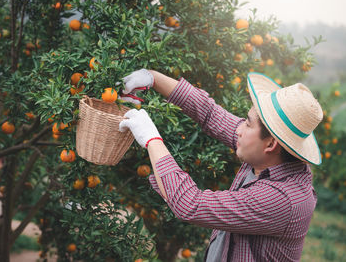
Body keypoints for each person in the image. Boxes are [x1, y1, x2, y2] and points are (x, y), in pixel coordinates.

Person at [118, 69, 324, 261]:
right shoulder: (266, 155)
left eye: (248, 123)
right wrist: (152, 77)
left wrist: (151, 139)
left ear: (271, 144)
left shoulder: (282, 199)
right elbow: (210, 114)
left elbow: (191, 204)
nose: (238, 129)